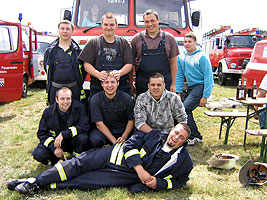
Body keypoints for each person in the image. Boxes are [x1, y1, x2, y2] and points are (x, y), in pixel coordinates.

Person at [7, 123, 193, 195]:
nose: (175, 137)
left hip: (123, 174)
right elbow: (129, 145)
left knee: (85, 181)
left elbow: (180, 180)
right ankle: (33, 181)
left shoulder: (183, 161)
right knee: (77, 164)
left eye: (181, 137)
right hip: (112, 154)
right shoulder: (155, 135)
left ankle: (38, 185)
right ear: (172, 129)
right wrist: (140, 169)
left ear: (184, 142)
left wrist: (158, 184)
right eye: (176, 132)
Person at [79, 12, 133, 98]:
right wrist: (97, 74)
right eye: (106, 24)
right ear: (102, 25)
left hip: (121, 88)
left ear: (116, 25)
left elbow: (129, 64)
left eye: (112, 25)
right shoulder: (93, 43)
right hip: (98, 88)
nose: (109, 27)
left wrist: (120, 73)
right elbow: (86, 64)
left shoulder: (124, 43)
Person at [32, 87, 90, 165]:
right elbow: (41, 133)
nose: (65, 102)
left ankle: (76, 159)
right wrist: (54, 148)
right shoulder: (48, 112)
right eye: (62, 99)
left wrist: (64, 134)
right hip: (56, 143)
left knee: (83, 138)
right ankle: (55, 159)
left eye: (68, 98)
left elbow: (84, 126)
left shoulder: (79, 107)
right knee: (39, 154)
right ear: (56, 99)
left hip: (72, 141)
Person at [176, 32, 214, 145]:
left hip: (200, 86)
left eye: (189, 42)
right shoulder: (181, 57)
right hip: (191, 87)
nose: (187, 44)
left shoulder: (202, 57)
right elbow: (179, 75)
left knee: (186, 109)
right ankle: (196, 135)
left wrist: (205, 96)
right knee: (182, 110)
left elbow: (208, 77)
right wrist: (178, 92)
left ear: (195, 42)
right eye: (185, 42)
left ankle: (193, 136)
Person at [131, 9, 179, 97]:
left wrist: (173, 84)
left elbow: (174, 63)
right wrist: (131, 84)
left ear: (158, 20)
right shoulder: (136, 39)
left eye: (152, 21)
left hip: (164, 83)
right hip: (143, 83)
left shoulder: (170, 39)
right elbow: (130, 65)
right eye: (146, 22)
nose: (150, 24)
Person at [44, 20, 86, 106]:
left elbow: (83, 70)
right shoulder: (50, 51)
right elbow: (47, 67)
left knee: (75, 115)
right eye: (62, 28)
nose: (65, 31)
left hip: (74, 89)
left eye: (68, 29)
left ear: (72, 31)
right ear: (58, 30)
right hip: (55, 89)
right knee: (54, 116)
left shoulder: (78, 51)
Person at [89, 72, 134, 148]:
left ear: (118, 83)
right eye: (106, 82)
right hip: (103, 132)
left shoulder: (127, 99)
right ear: (102, 84)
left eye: (113, 82)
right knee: (94, 139)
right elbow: (99, 124)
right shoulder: (95, 99)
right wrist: (114, 142)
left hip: (122, 131)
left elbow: (131, 120)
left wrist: (124, 137)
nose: (110, 85)